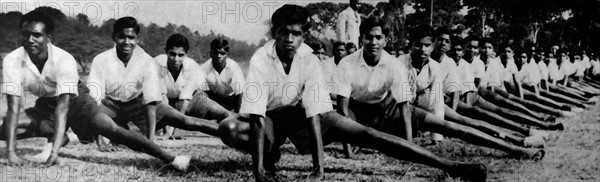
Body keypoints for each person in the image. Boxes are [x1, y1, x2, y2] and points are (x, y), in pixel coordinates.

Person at [218, 6, 487, 181]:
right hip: (273, 118)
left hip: (305, 115)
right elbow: (256, 116)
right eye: (284, 33)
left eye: (296, 34)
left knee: (369, 135)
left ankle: (450, 166)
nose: (290, 39)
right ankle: (270, 153)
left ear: (304, 36)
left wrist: (318, 169)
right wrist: (258, 172)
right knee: (229, 127)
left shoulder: (309, 58)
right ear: (274, 33)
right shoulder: (259, 59)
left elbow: (313, 114)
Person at [1, 12, 191, 171]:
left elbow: (63, 108)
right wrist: (11, 153)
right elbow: (13, 107)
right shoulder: (12, 60)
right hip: (45, 105)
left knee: (111, 128)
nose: (30, 40)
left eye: (37, 35)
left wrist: (53, 154)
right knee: (6, 126)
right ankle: (58, 136)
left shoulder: (63, 59)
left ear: (48, 38)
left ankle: (171, 159)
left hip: (77, 100)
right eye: (25, 34)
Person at [154, 34, 233, 140]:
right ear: (166, 51)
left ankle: (250, 125)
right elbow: (163, 99)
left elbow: (184, 100)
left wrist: (173, 131)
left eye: (180, 55)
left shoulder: (192, 67)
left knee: (224, 114)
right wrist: (167, 132)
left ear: (186, 54)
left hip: (193, 100)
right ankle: (229, 132)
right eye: (172, 54)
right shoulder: (156, 64)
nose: (176, 59)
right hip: (166, 101)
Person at [200, 38, 245, 112]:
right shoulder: (204, 68)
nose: (218, 56)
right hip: (213, 100)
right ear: (210, 53)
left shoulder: (234, 67)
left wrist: (237, 114)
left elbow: (240, 93)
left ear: (227, 54)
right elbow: (203, 93)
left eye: (222, 53)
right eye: (215, 53)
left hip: (232, 99)